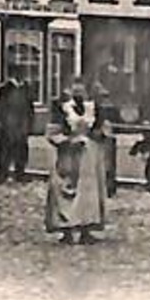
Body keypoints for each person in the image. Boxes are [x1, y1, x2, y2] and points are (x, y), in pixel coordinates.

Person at [44, 82, 107, 245]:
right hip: (68, 154)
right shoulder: (62, 109)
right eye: (75, 90)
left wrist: (99, 134)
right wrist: (67, 141)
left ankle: (86, 228)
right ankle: (66, 230)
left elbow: (103, 129)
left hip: (88, 155)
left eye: (82, 90)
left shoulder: (94, 109)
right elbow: (52, 132)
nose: (79, 93)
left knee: (88, 192)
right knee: (65, 189)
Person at [0, 72, 32, 184]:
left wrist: (28, 123)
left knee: (21, 150)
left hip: (21, 122)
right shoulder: (5, 88)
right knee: (5, 150)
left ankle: (20, 174)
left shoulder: (26, 88)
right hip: (8, 123)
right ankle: (3, 174)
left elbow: (29, 107)